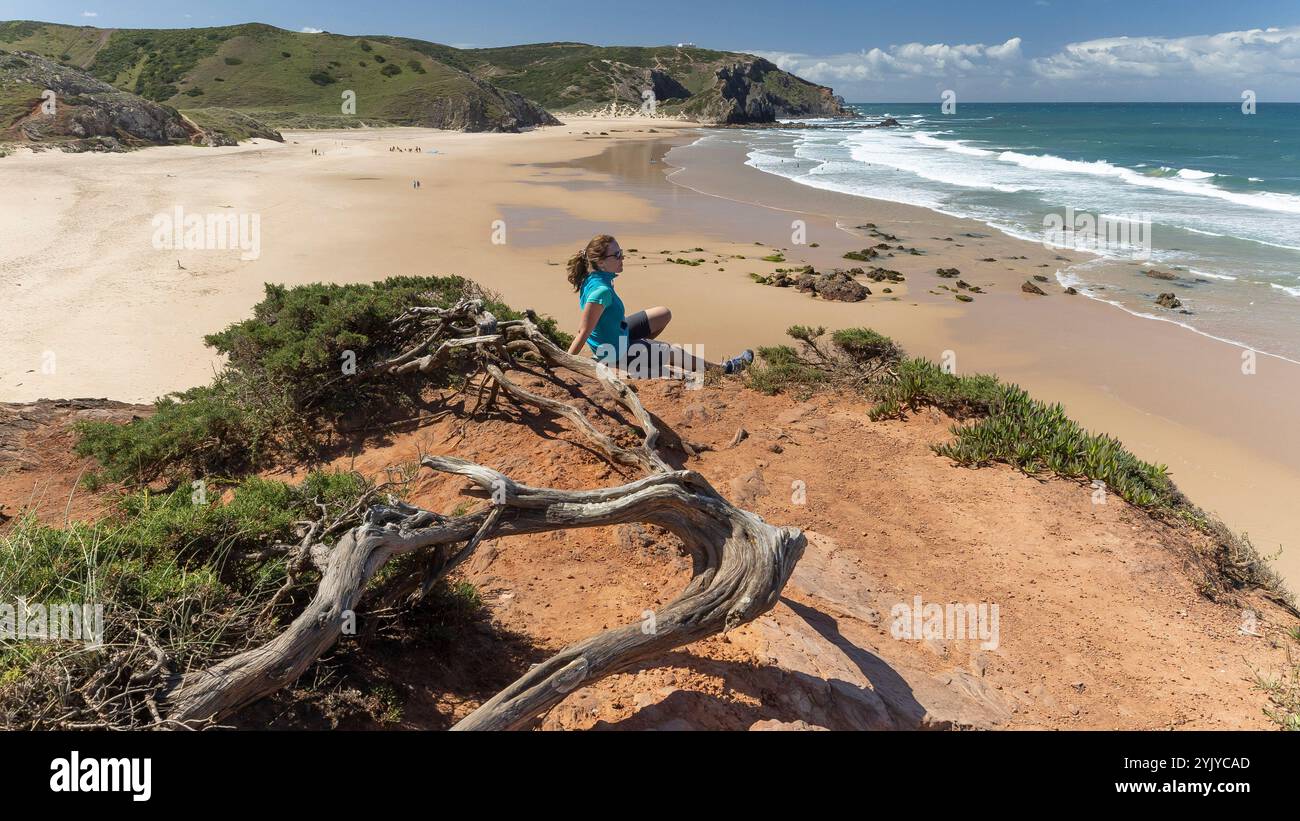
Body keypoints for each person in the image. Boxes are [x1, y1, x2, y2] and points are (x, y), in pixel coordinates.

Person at [565, 234, 752, 378]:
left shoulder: (593, 277)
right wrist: (566, 362)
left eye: (622, 252)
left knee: (663, 314)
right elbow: (584, 331)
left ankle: (646, 356)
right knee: (673, 351)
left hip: (619, 333)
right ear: (601, 262)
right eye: (617, 255)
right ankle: (725, 369)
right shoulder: (601, 291)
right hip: (615, 352)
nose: (623, 257)